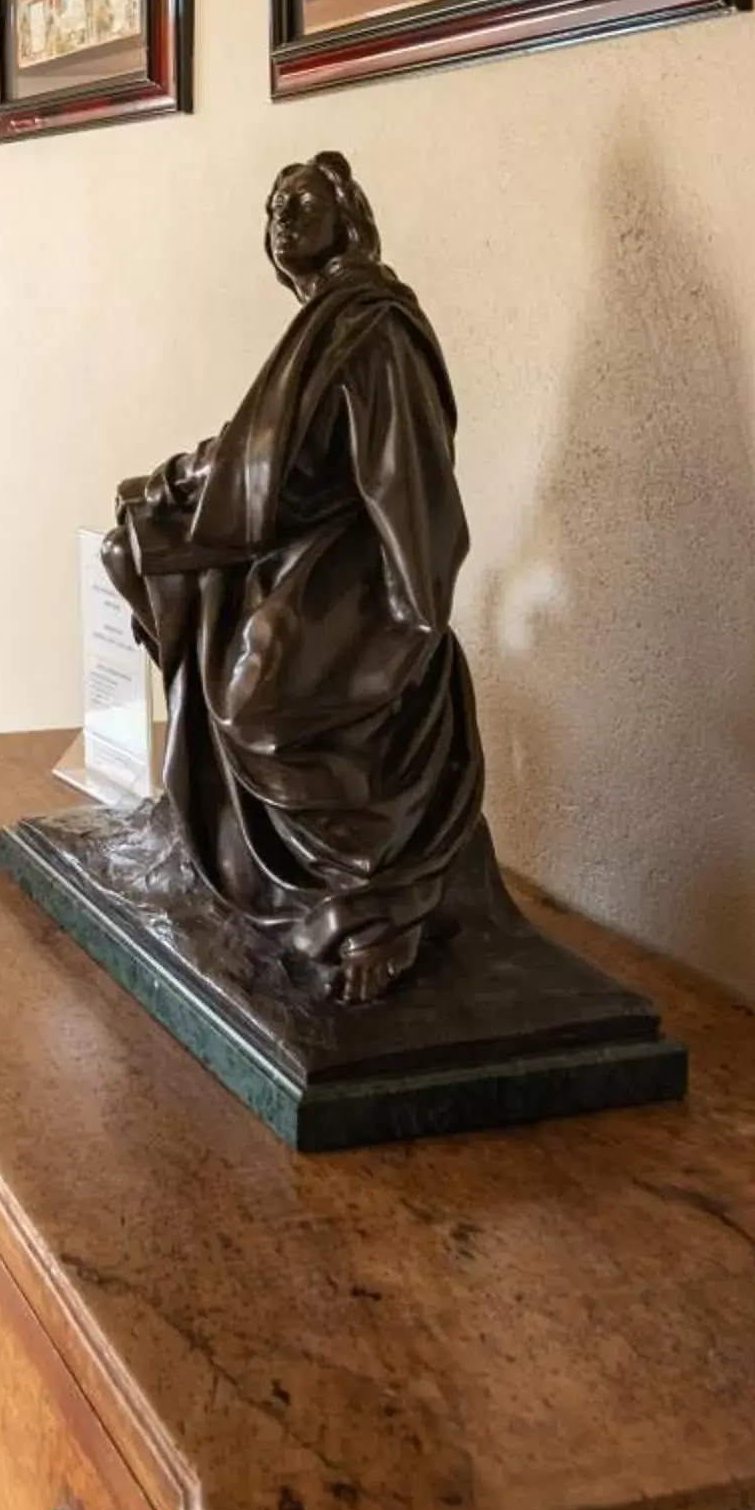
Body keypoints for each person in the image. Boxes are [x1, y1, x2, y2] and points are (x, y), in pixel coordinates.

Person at [101, 153, 483, 1004]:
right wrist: (169, 489)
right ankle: (209, 841)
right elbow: (260, 451)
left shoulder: (371, 326)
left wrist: (413, 615)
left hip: (360, 559)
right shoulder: (324, 323)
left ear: (346, 216)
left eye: (302, 203)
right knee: (135, 548)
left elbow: (407, 486)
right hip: (294, 539)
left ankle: (372, 904)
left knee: (256, 700)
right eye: (274, 207)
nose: (282, 218)